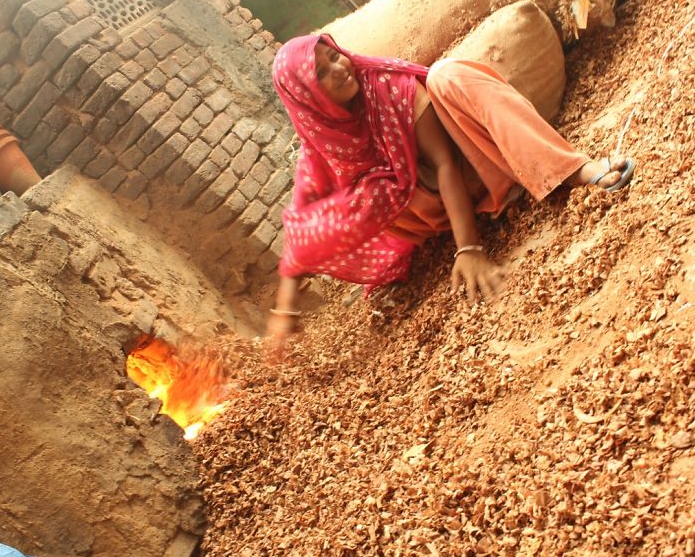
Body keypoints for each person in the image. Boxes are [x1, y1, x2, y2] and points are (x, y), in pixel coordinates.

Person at [266, 33, 635, 340]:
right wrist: (285, 307)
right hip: (436, 211)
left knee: (448, 74)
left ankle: (572, 170)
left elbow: (444, 164)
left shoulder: (385, 85)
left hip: (482, 161)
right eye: (321, 72)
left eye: (334, 56)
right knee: (350, 201)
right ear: (307, 98)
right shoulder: (322, 142)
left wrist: (470, 249)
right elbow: (300, 223)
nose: (339, 68)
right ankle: (466, 225)